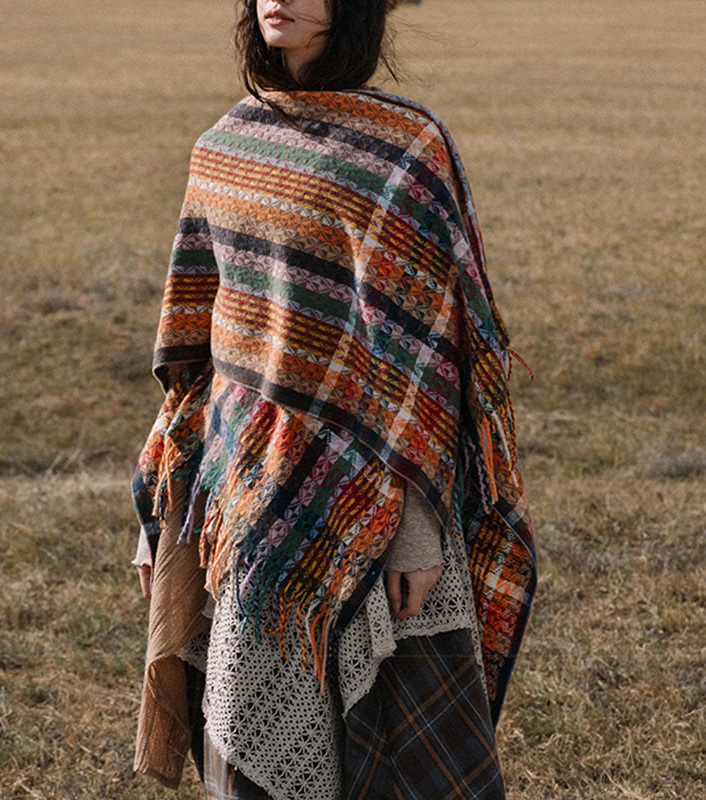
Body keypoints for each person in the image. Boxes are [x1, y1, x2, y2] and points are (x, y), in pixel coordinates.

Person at [130, 1, 537, 797]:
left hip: (381, 496)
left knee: (405, 749)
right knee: (261, 747)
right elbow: (195, 361)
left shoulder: (407, 149)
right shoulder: (222, 147)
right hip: (251, 504)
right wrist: (166, 515)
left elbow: (428, 362)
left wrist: (417, 533)